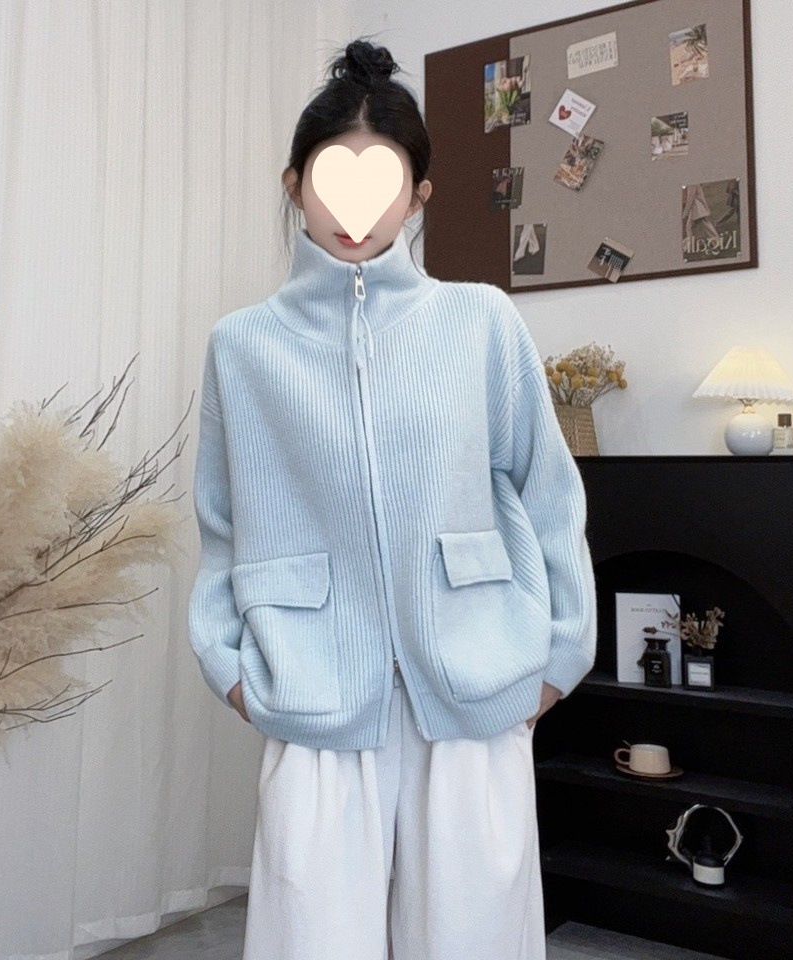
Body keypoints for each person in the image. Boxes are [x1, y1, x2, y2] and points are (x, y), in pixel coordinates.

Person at [188, 38, 597, 960]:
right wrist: (231, 669)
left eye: (382, 185)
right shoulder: (242, 347)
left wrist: (559, 658)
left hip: (477, 679)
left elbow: (548, 493)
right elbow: (221, 523)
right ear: (295, 186)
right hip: (314, 687)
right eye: (332, 181)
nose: (354, 212)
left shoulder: (480, 320)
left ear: (418, 196)